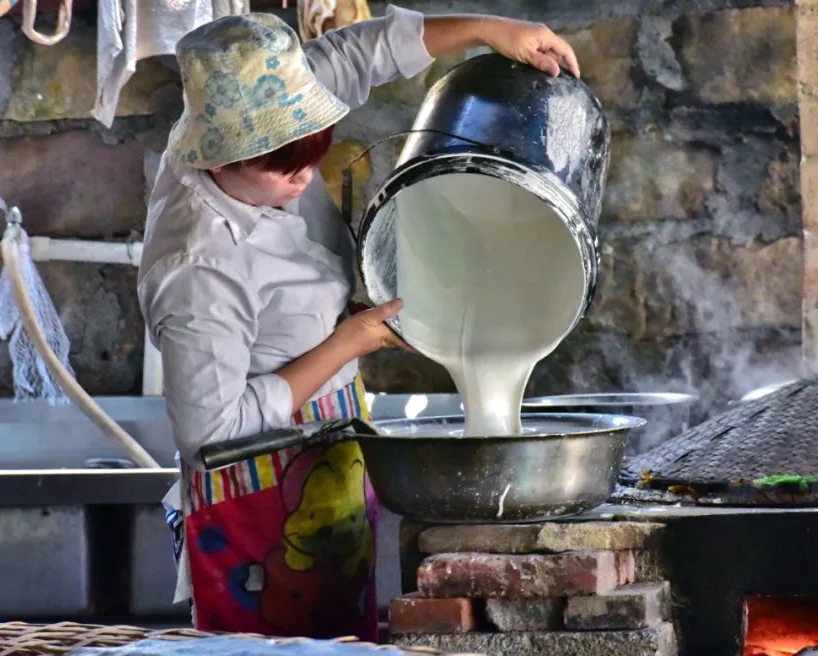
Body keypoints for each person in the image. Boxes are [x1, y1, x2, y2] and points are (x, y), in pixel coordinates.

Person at [137, 5, 580, 641]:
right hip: (254, 506)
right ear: (223, 159)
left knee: (344, 642)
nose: (306, 178)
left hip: (332, 455)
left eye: (315, 156)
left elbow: (357, 53)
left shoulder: (263, 94)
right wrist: (350, 340)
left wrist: (489, 30)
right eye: (285, 170)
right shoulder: (198, 268)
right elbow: (211, 432)